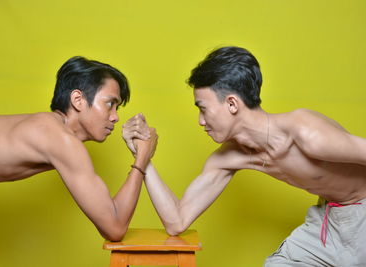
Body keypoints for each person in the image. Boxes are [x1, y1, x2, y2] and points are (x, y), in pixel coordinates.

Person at [122, 46, 366, 266]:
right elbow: (176, 222)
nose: (200, 121)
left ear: (232, 104)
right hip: (328, 221)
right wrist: (143, 156)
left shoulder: (305, 133)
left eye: (203, 109)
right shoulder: (228, 158)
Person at [0, 56, 158, 241]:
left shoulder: (52, 131)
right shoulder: (59, 139)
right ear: (78, 99)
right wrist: (142, 158)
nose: (115, 117)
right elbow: (114, 228)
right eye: (110, 104)